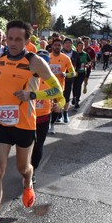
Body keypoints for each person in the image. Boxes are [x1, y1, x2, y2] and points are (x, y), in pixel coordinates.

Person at [0, 20, 63, 223]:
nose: (13, 43)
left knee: (23, 168)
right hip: (0, 122)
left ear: (27, 41)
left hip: (24, 123)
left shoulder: (35, 62)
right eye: (10, 38)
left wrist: (32, 96)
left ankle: (28, 182)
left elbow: (56, 89)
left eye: (18, 39)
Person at [31, 50, 65, 180]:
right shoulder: (28, 76)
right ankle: (26, 168)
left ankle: (32, 171)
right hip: (27, 118)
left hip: (43, 118)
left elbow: (61, 99)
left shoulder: (51, 80)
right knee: (26, 146)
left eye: (45, 62)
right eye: (40, 61)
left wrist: (59, 105)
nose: (42, 64)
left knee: (38, 145)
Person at [48, 38, 75, 127]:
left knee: (56, 107)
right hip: (47, 86)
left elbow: (73, 73)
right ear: (52, 46)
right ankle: (47, 123)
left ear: (61, 46)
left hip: (59, 87)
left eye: (59, 45)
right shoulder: (47, 57)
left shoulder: (66, 58)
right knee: (47, 107)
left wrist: (66, 74)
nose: (57, 47)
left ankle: (52, 124)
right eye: (55, 45)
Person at [71, 41, 90, 109]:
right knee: (74, 86)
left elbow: (89, 62)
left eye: (82, 45)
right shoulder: (74, 54)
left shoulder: (85, 54)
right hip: (75, 72)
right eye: (79, 45)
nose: (81, 46)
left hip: (82, 72)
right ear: (77, 46)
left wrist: (87, 65)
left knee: (79, 85)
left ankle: (77, 101)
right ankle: (74, 97)